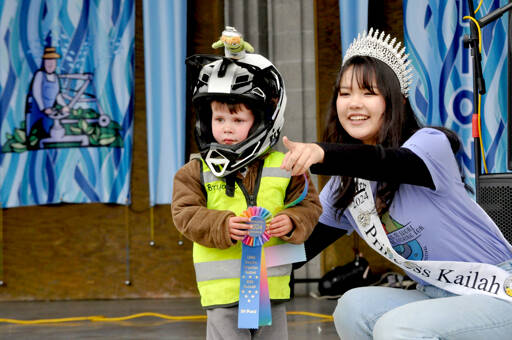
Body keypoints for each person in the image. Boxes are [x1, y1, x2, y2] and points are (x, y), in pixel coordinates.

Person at [281, 28, 512, 339]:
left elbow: (385, 162)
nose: (354, 104)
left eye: (369, 93)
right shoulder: (344, 185)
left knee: (397, 327)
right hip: (434, 293)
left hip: (498, 292)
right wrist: (244, 256)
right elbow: (302, 248)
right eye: (345, 93)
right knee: (353, 306)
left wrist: (321, 152)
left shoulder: (430, 146)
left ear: (396, 100)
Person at [172, 29, 322, 340]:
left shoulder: (288, 166)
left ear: (262, 121)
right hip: (222, 294)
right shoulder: (193, 171)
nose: (226, 129)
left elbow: (310, 207)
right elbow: (184, 214)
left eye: (238, 120)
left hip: (272, 290)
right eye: (219, 119)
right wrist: (222, 225)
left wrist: (293, 222)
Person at [25, 47, 70, 141]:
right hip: (36, 111)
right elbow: (36, 93)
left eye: (52, 61)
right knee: (34, 134)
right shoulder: (40, 75)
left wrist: (65, 106)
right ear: (44, 62)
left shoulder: (55, 77)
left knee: (48, 133)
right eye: (47, 61)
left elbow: (58, 95)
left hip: (49, 112)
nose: (50, 64)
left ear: (55, 63)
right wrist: (43, 108)